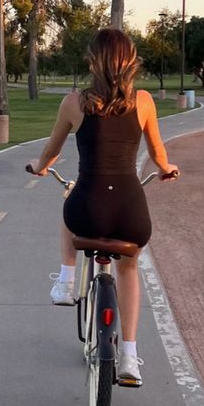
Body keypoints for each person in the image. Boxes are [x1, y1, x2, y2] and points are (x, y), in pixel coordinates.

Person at [27, 28, 179, 385]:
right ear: (130, 61)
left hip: (88, 208)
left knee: (70, 198)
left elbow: (51, 151)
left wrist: (40, 166)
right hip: (130, 212)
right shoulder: (143, 102)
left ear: (93, 60)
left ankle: (66, 282)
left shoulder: (74, 102)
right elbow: (158, 154)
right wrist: (167, 170)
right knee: (128, 269)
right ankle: (129, 356)